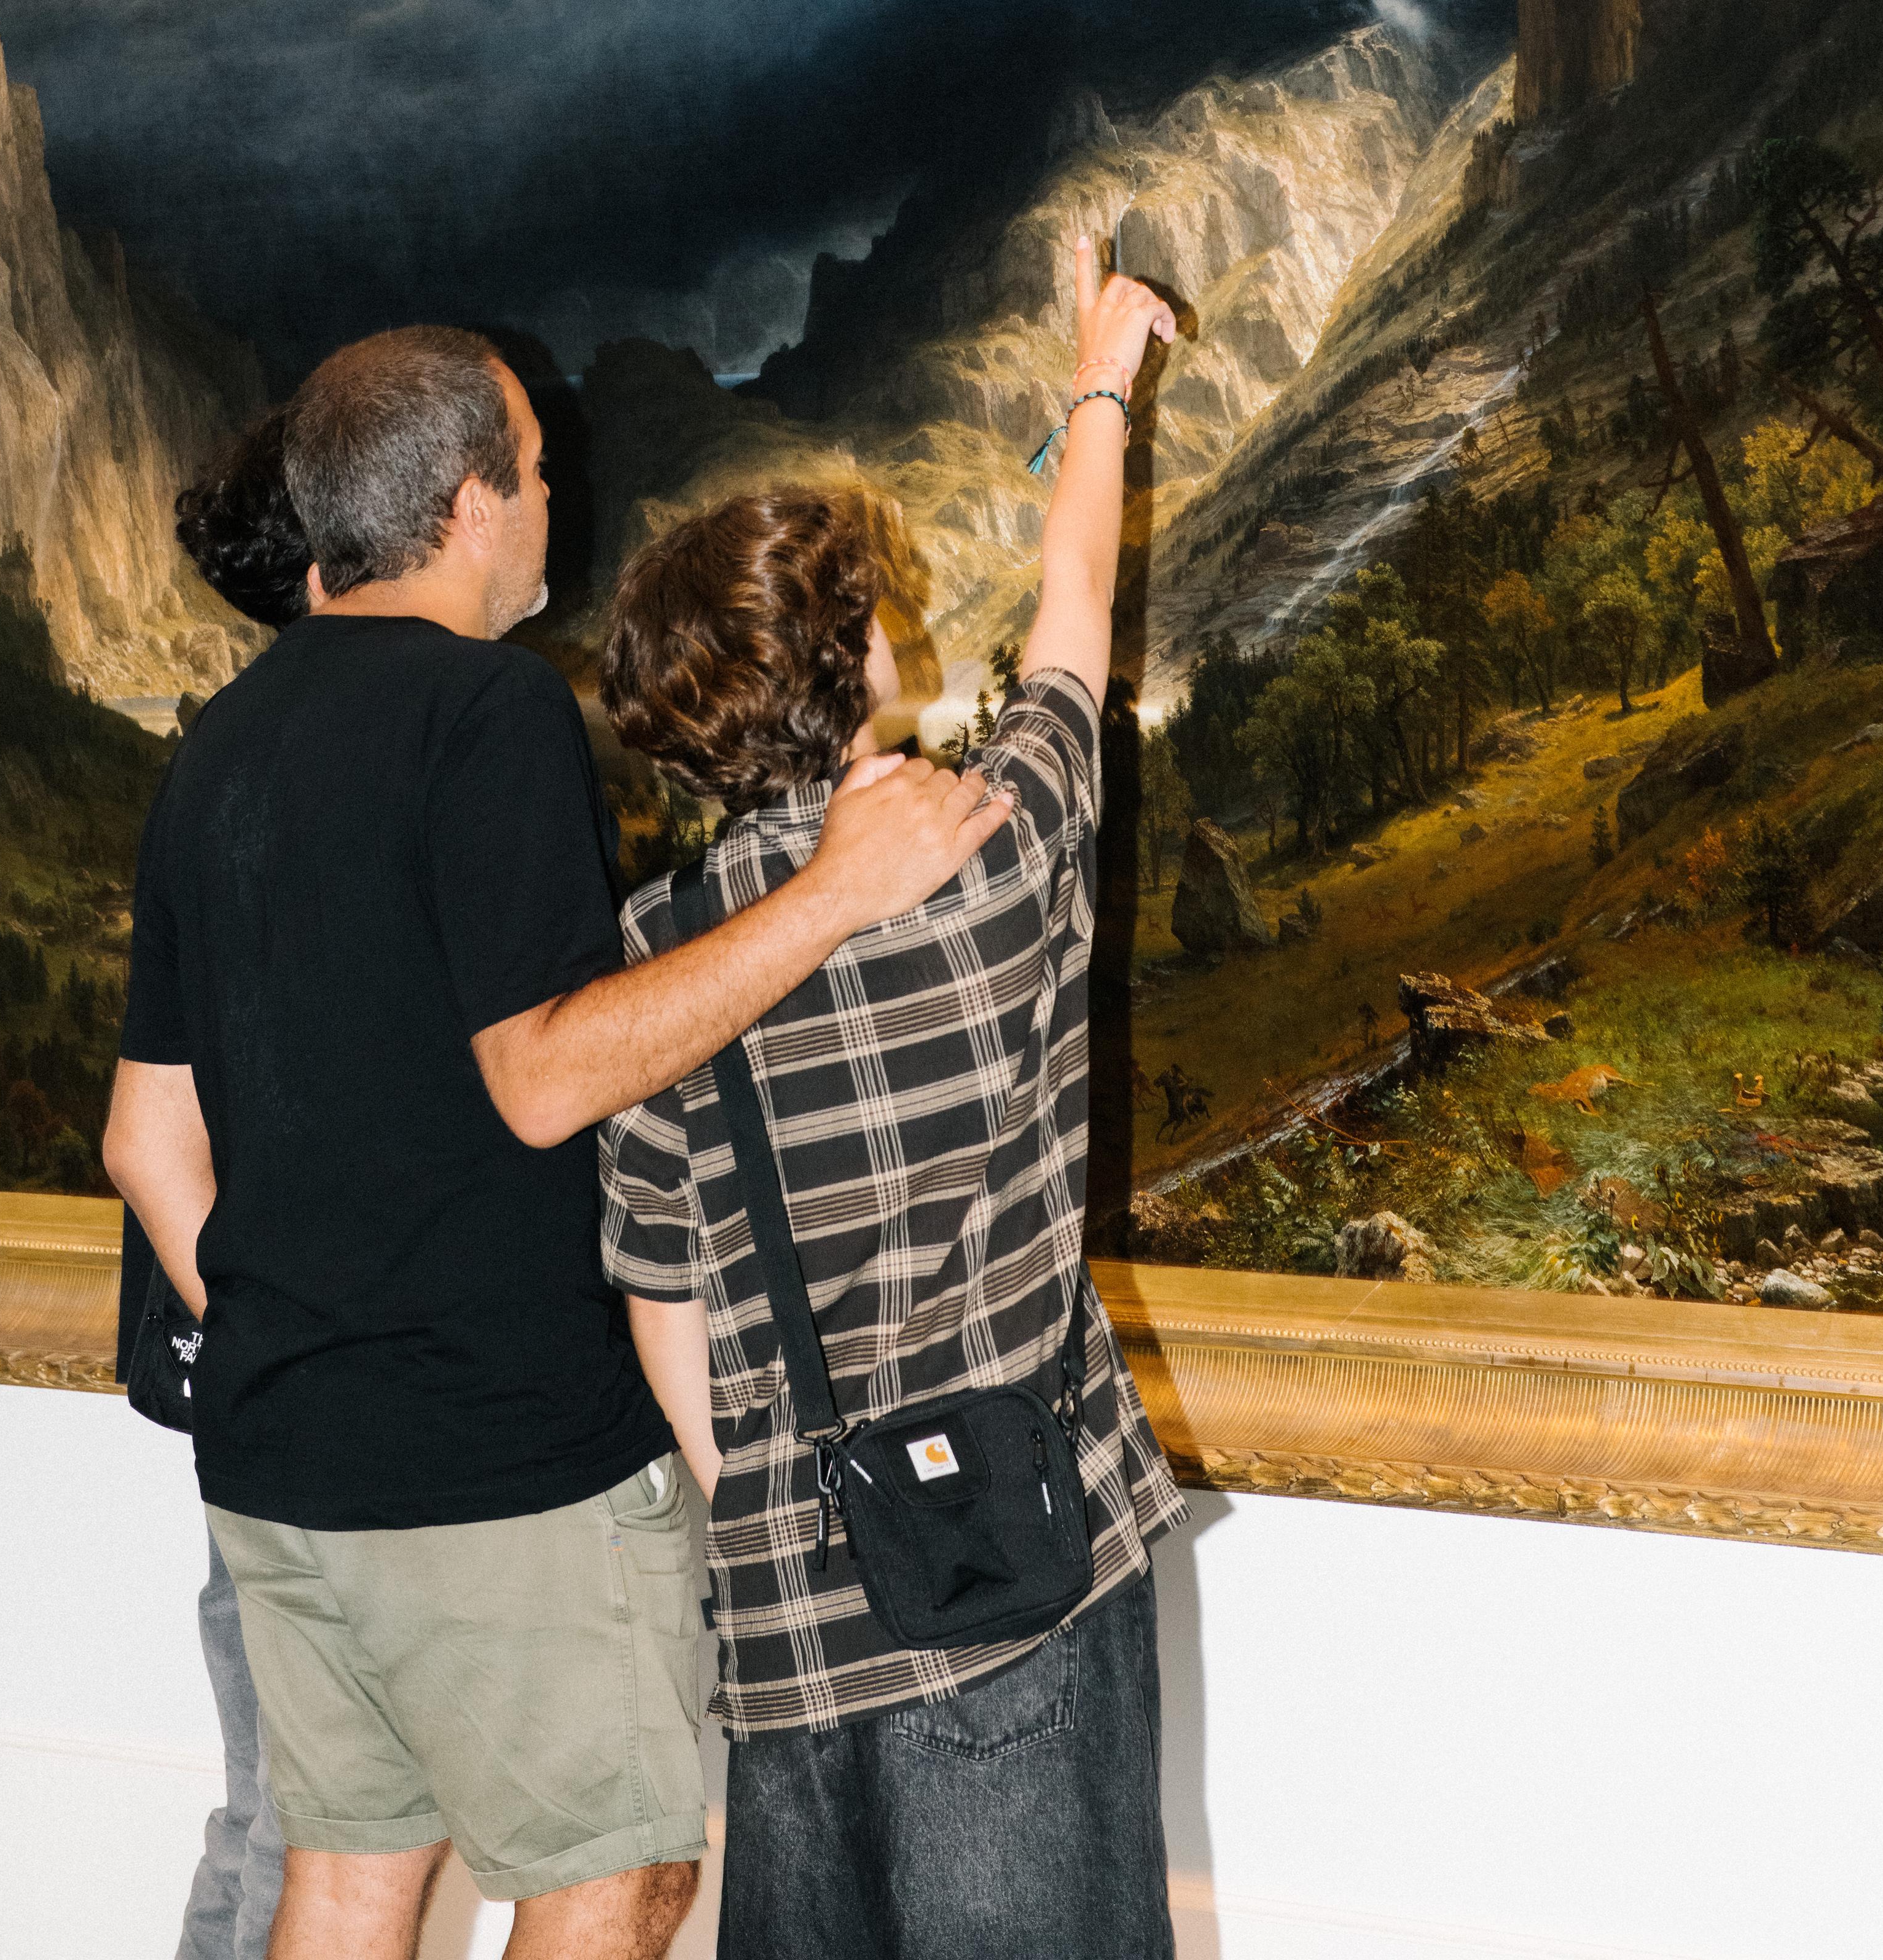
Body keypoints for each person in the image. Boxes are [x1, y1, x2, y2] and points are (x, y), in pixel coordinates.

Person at [104, 324, 1014, 1960]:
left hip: (278, 1456)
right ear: (469, 505)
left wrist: (297, 1332)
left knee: (348, 1881)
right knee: (617, 1876)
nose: (552, 499)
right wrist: (832, 896)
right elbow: (541, 1077)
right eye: (537, 469)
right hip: (496, 1448)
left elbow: (146, 1138)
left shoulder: (221, 745)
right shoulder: (488, 711)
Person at [600, 242, 1189, 1960]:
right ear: (850, 666)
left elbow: (659, 1301)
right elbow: (1072, 625)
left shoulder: (666, 954)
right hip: (1020, 1580)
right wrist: (1102, 383)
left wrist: (776, 1503)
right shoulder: (990, 854)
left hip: (789, 1620)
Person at [115, 408, 316, 1960]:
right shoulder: (262, 775)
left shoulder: (233, 756)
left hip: (251, 1369)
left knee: (281, 1802)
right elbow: (148, 1134)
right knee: (295, 1808)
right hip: (269, 1376)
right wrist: (275, 1336)